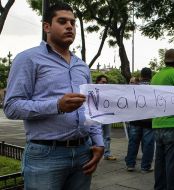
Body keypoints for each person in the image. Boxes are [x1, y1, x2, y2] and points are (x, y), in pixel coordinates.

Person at [3, 2, 104, 190]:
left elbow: (91, 108)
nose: (70, 27)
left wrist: (98, 143)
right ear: (47, 27)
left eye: (72, 23)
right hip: (46, 155)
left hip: (83, 152)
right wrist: (57, 105)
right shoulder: (28, 59)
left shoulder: (81, 66)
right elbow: (12, 107)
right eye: (62, 21)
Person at [151, 49, 174, 190]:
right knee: (172, 164)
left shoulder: (156, 77)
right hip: (173, 124)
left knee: (159, 163)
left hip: (157, 124)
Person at [125, 67, 155, 173]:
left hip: (135, 119)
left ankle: (130, 164)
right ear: (151, 77)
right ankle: (145, 166)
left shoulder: (134, 88)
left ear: (141, 76)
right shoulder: (154, 88)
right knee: (148, 144)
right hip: (149, 121)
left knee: (133, 143)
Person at [95, 74, 117, 160]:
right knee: (96, 135)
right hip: (97, 118)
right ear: (97, 82)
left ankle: (107, 154)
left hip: (107, 117)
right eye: (102, 82)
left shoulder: (108, 93)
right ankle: (94, 153)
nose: (104, 84)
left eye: (106, 82)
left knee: (107, 136)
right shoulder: (92, 92)